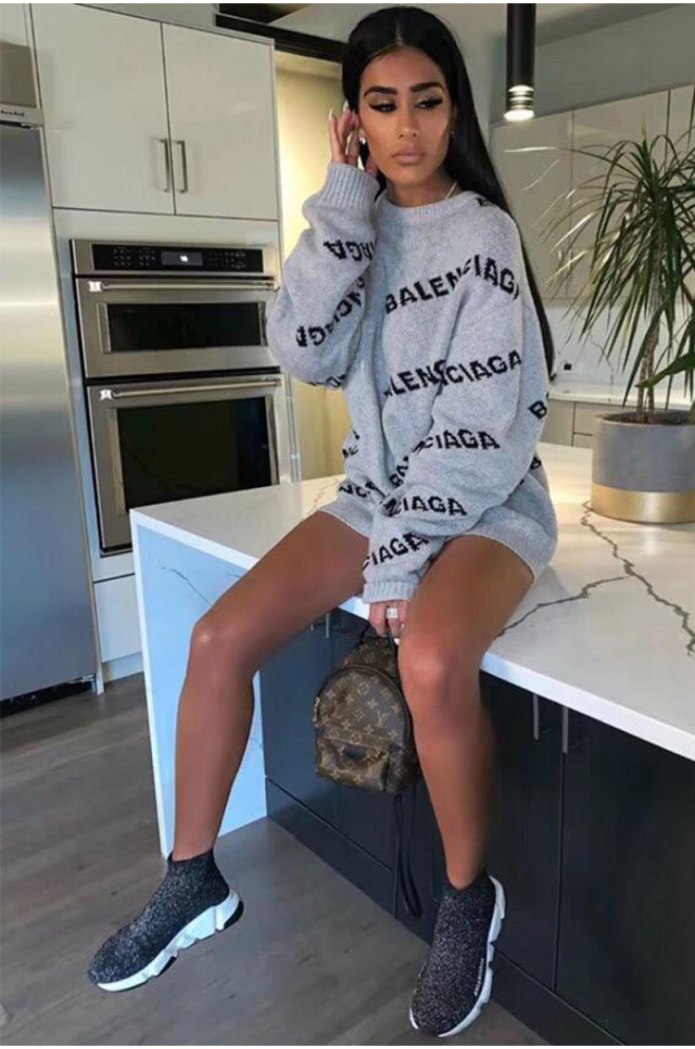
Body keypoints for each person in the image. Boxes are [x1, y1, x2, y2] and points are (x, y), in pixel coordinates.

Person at [88, 5, 558, 1038]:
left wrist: (399, 556)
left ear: (453, 111)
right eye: (382, 106)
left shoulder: (482, 236)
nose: (406, 127)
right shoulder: (356, 223)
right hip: (375, 495)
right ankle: (192, 876)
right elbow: (302, 350)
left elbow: (487, 426)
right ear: (354, 120)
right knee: (217, 637)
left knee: (430, 658)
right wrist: (341, 209)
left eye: (426, 102)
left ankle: (465, 898)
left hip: (486, 499)